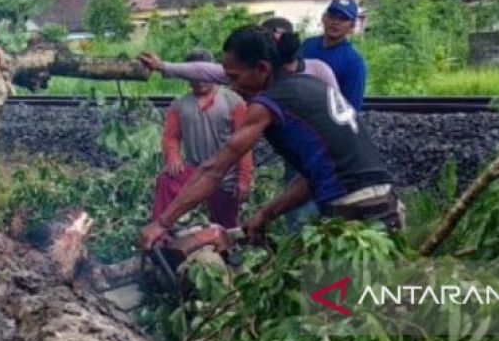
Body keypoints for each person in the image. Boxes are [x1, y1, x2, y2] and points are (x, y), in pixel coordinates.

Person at [140, 27, 401, 252]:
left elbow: (215, 169)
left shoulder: (270, 101)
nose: (232, 86)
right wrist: (266, 214)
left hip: (354, 211)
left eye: (234, 77)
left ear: (263, 69)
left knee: (335, 299)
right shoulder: (308, 85)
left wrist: (163, 223)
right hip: (386, 205)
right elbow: (312, 178)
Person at [151, 49, 252, 229]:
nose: (199, 80)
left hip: (225, 174)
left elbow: (245, 143)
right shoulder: (179, 105)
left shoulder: (233, 101)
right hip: (195, 171)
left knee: (225, 226)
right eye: (193, 76)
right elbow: (170, 137)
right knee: (167, 179)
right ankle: (161, 235)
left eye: (203, 75)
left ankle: (225, 252)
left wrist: (243, 179)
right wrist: (173, 155)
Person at [137, 17, 338, 90]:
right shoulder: (251, 75)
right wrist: (163, 66)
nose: (233, 85)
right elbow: (205, 70)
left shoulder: (317, 71)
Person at [300, 0, 367, 111]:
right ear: (323, 18)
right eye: (332, 16)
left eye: (343, 19)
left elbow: (351, 108)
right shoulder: (307, 45)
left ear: (352, 26)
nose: (335, 22)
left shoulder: (354, 63)